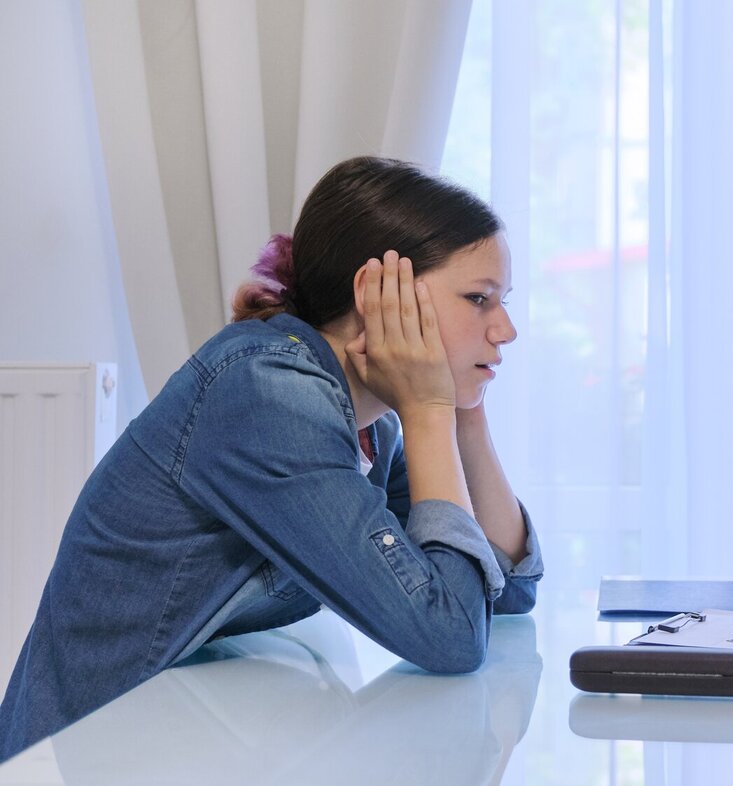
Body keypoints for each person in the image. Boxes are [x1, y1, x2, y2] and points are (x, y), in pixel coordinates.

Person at [0, 156, 542, 762]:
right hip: (89, 746)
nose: (506, 329)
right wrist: (432, 409)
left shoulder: (370, 425)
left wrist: (465, 413)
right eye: (479, 299)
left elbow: (503, 591)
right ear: (377, 295)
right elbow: (450, 635)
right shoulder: (268, 394)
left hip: (175, 733)